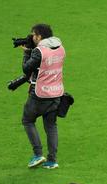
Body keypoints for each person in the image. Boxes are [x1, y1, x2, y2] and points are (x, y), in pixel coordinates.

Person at [20, 23, 66, 169]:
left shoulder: (39, 51)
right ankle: (52, 161)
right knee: (51, 126)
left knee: (27, 120)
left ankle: (38, 154)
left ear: (39, 36)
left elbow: (27, 69)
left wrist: (27, 52)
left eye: (34, 34)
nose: (32, 37)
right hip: (56, 92)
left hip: (39, 94)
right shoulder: (60, 48)